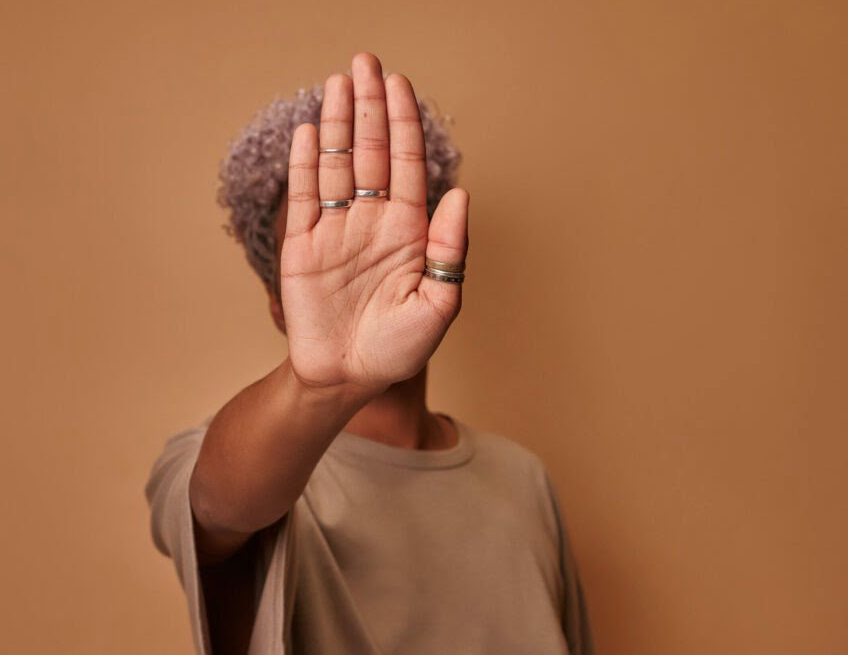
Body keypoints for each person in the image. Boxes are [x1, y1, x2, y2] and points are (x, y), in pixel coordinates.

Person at [145, 52, 593, 655]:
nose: (360, 264)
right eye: (319, 247)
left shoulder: (524, 479)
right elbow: (218, 505)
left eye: (382, 229)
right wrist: (322, 384)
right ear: (278, 305)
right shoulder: (236, 459)